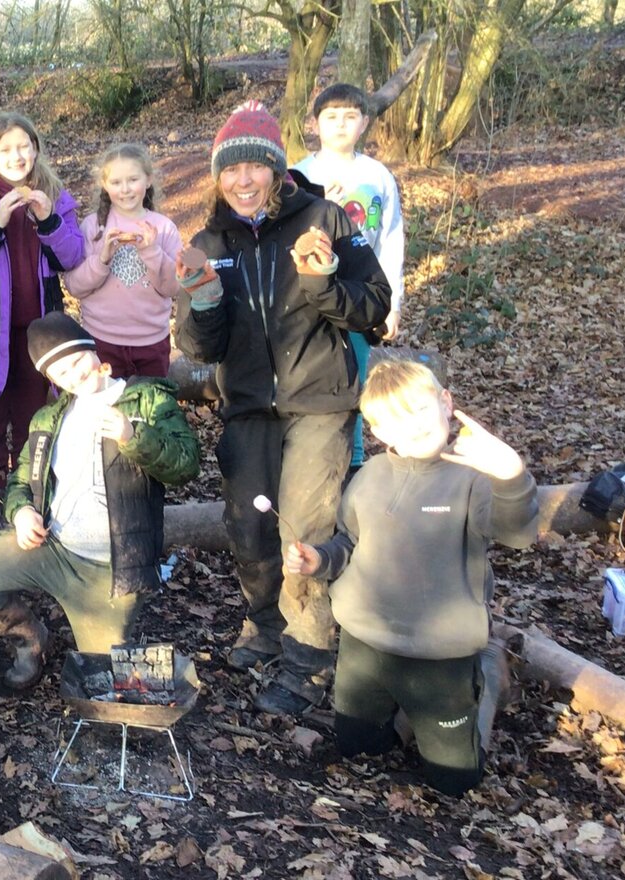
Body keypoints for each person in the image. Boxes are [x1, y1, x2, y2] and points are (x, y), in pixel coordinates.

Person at [175, 100, 392, 716]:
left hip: (320, 401)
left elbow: (373, 308)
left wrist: (323, 282)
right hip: (246, 406)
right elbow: (197, 345)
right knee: (247, 524)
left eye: (256, 168)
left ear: (276, 170)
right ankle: (265, 623)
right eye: (231, 170)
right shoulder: (207, 241)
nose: (243, 181)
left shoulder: (323, 219)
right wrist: (205, 302)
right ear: (218, 177)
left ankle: (307, 657)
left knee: (305, 525)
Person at [283, 360, 537, 795]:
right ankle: (404, 715)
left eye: (420, 409)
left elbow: (516, 533)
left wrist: (511, 476)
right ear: (380, 431)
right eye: (396, 419)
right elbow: (349, 542)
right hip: (367, 644)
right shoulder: (370, 477)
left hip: (441, 655)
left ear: (445, 403)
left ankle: (490, 669)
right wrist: (318, 561)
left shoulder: (473, 481)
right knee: (360, 750)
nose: (414, 426)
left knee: (455, 781)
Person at [0, 313, 199, 688]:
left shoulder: (145, 400)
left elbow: (186, 464)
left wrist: (134, 436)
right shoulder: (49, 419)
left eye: (76, 361)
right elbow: (19, 480)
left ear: (93, 352)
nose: (74, 376)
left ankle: (99, 640)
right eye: (60, 373)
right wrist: (22, 513)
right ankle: (31, 639)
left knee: (102, 682)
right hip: (53, 550)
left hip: (111, 570)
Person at [0, 112, 84, 527]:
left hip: (38, 328)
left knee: (31, 416)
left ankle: (26, 495)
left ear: (36, 149)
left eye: (24, 146)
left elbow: (72, 256)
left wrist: (48, 220)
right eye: (6, 149)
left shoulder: (55, 195)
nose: (16, 155)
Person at [293, 83, 407, 472]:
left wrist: (391, 305)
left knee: (354, 381)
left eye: (349, 117)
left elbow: (390, 240)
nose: (340, 125)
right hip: (309, 296)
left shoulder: (377, 176)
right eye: (331, 117)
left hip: (359, 294)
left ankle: (354, 463)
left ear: (365, 123)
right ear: (315, 123)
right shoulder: (299, 175)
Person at [62, 142, 183, 379]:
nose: (125, 189)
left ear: (148, 180)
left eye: (133, 180)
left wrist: (151, 251)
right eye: (116, 183)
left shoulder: (164, 228)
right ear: (104, 186)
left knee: (150, 411)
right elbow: (74, 286)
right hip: (101, 339)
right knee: (108, 411)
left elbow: (173, 287)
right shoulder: (93, 227)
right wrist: (102, 258)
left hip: (151, 342)